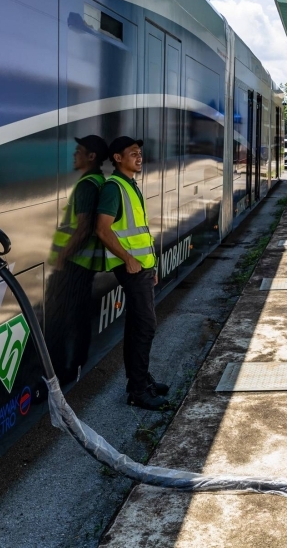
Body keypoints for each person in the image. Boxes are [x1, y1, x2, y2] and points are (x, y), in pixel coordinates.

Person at [96, 136, 169, 409]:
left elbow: (141, 233)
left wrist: (152, 267)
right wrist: (128, 259)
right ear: (117, 158)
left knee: (137, 325)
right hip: (131, 268)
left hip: (142, 267)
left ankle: (139, 381)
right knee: (145, 327)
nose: (139, 157)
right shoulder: (114, 188)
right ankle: (138, 391)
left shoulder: (130, 185)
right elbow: (102, 230)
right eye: (133, 153)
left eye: (140, 153)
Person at [45, 135, 108, 384]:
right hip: (84, 266)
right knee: (80, 318)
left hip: (73, 266)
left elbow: (83, 228)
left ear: (91, 156)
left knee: (57, 319)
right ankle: (76, 366)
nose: (75, 155)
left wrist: (63, 256)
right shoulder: (99, 181)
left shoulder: (87, 185)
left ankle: (59, 373)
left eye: (79, 151)